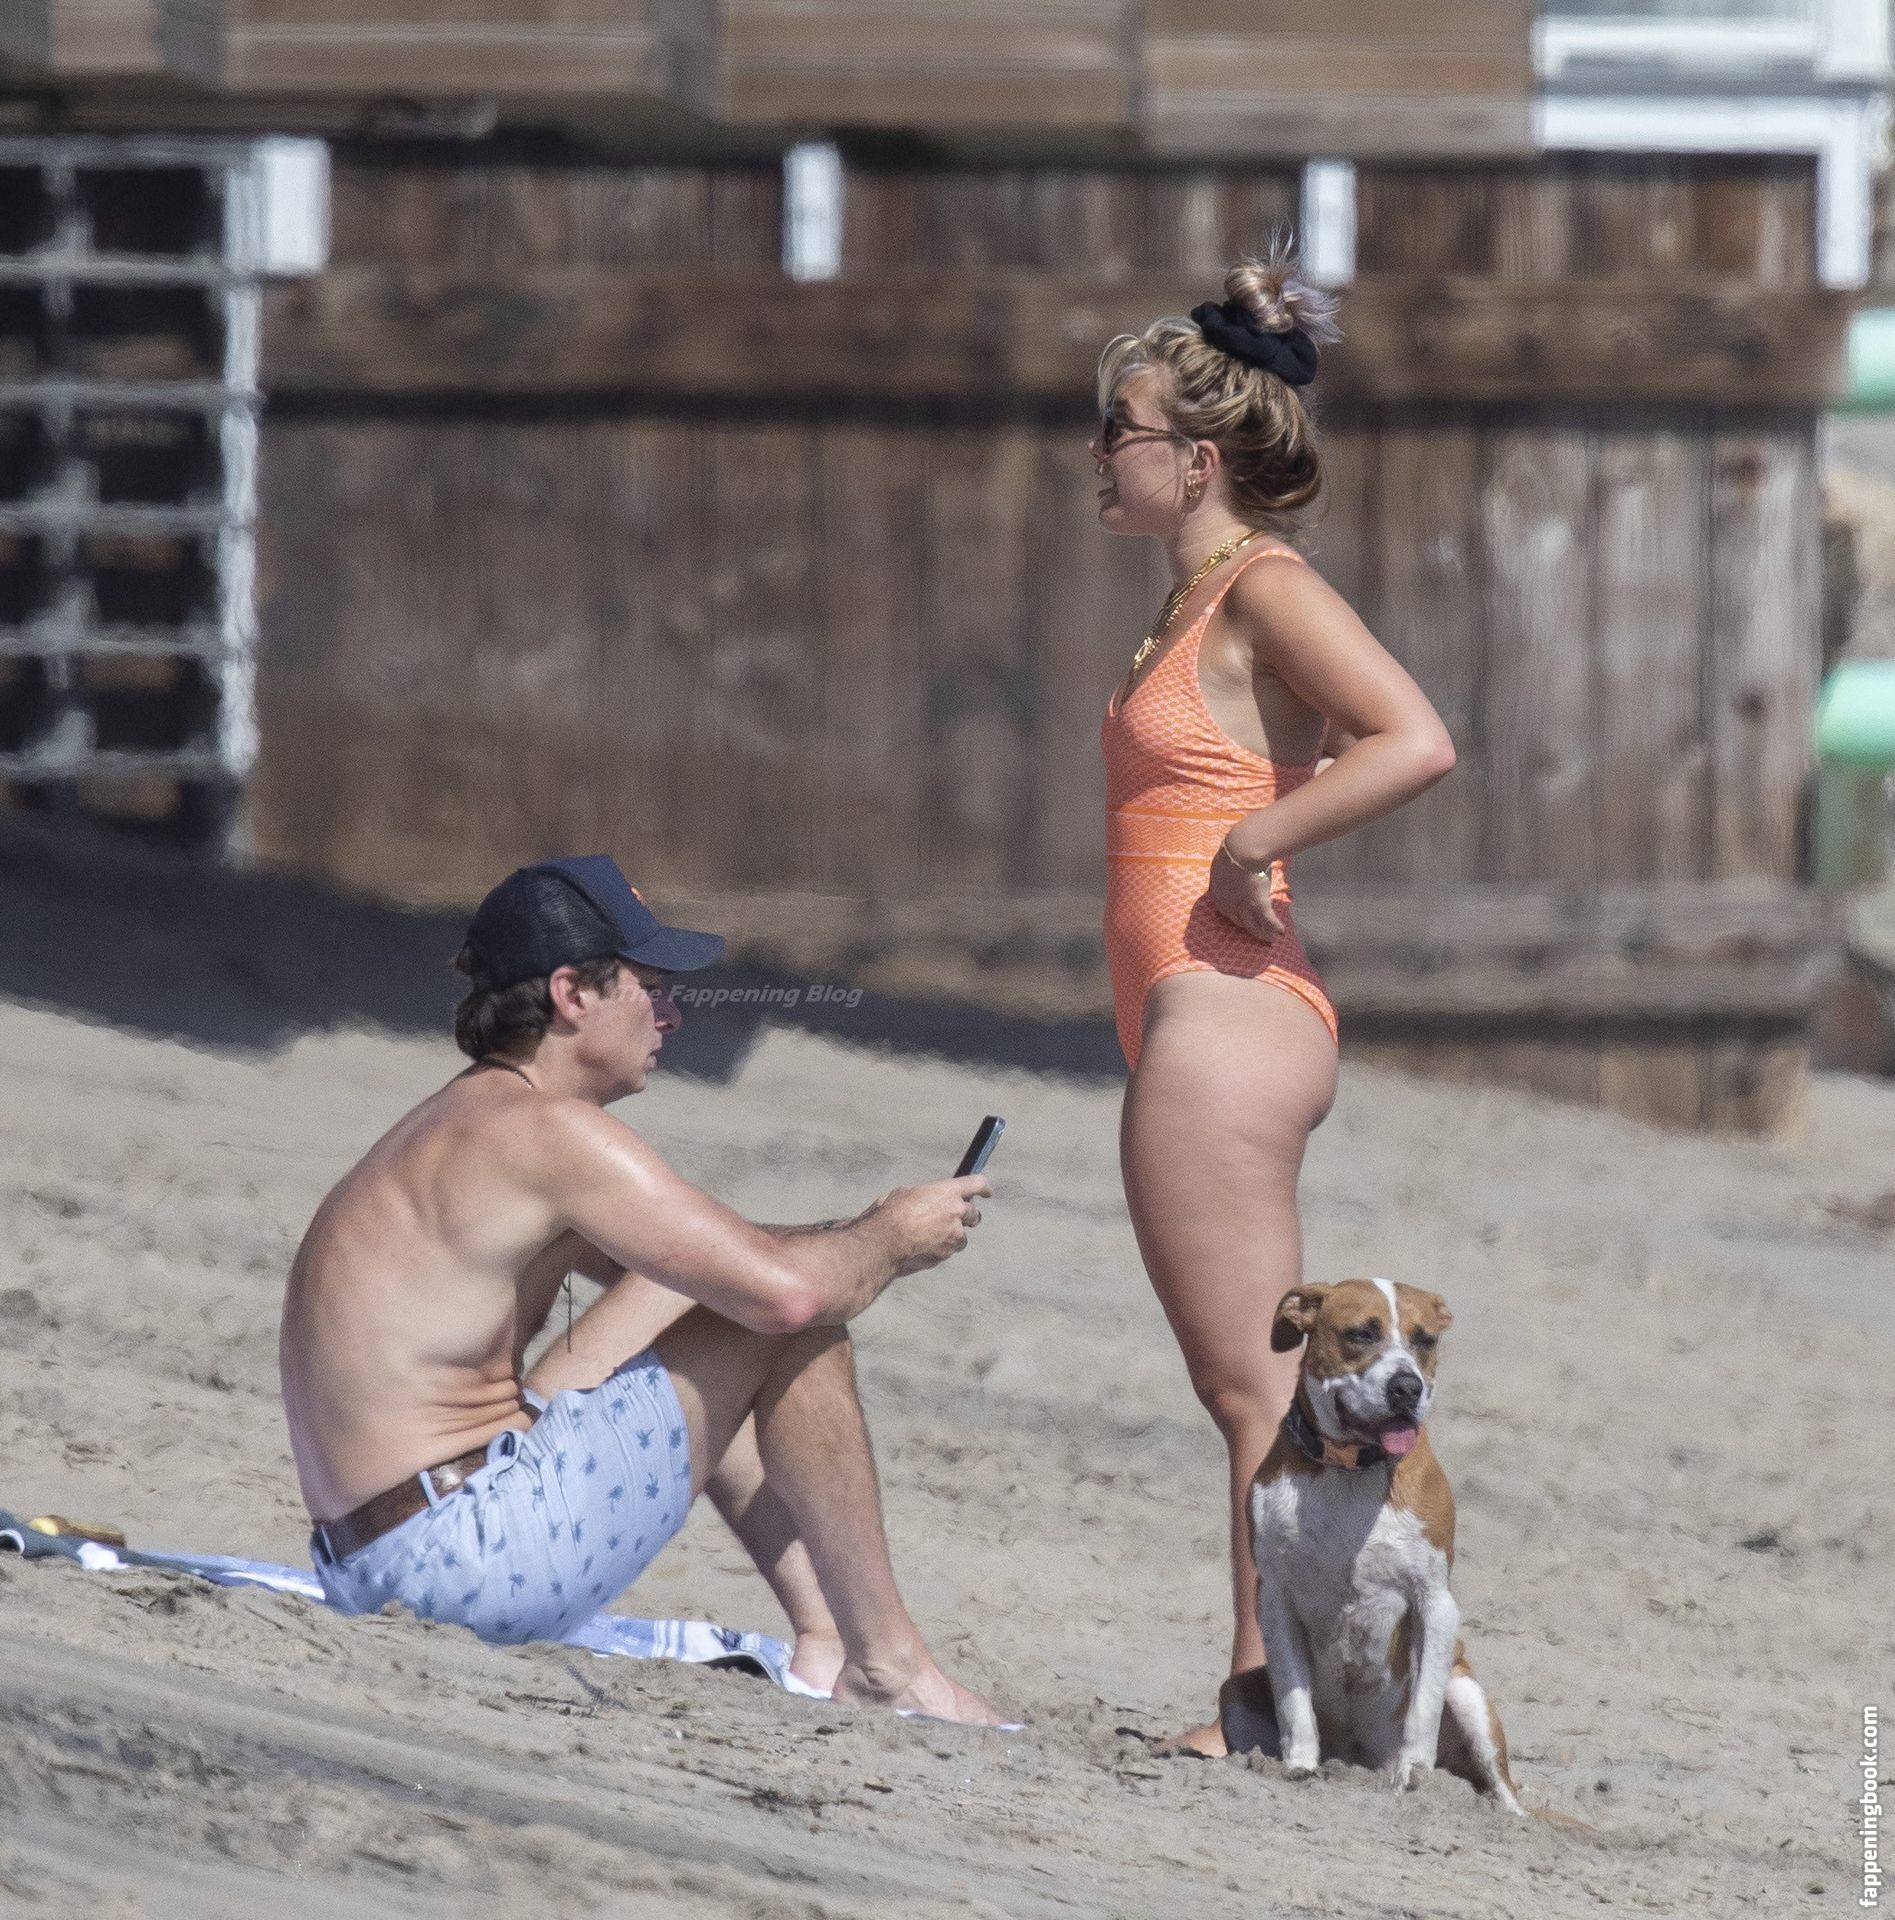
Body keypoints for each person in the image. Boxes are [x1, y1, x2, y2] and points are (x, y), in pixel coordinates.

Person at [281, 854, 1001, 1726]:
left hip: (371, 1561)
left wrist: (849, 1241)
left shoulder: (464, 1120)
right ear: (571, 995)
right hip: (462, 1561)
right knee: (786, 1321)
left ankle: (826, 1640)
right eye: (650, 989)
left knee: (717, 1295)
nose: (672, 1014)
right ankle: (886, 1664)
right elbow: (786, 1300)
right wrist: (889, 1235)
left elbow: (716, 1273)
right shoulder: (552, 1133)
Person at [1092, 247, 1457, 1754]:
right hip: (1203, 1014)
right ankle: (1318, 1690)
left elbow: (1412, 738)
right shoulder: (1194, 600)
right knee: (1243, 1387)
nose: (1096, 454)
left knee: (1258, 1392)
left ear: (1192, 458)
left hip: (1227, 1015)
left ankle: (1259, 1701)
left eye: (1116, 428)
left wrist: (1254, 841)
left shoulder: (1264, 587)